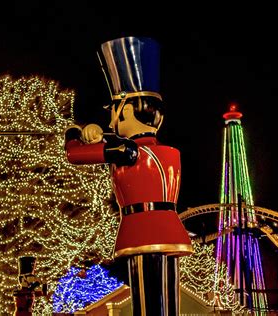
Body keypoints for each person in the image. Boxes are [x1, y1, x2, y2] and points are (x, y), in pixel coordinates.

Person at [65, 36, 192, 315]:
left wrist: (75, 131)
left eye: (113, 109)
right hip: (168, 229)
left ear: (129, 108)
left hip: (143, 232)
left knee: (148, 303)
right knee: (166, 302)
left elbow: (73, 154)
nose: (110, 118)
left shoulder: (127, 150)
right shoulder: (168, 152)